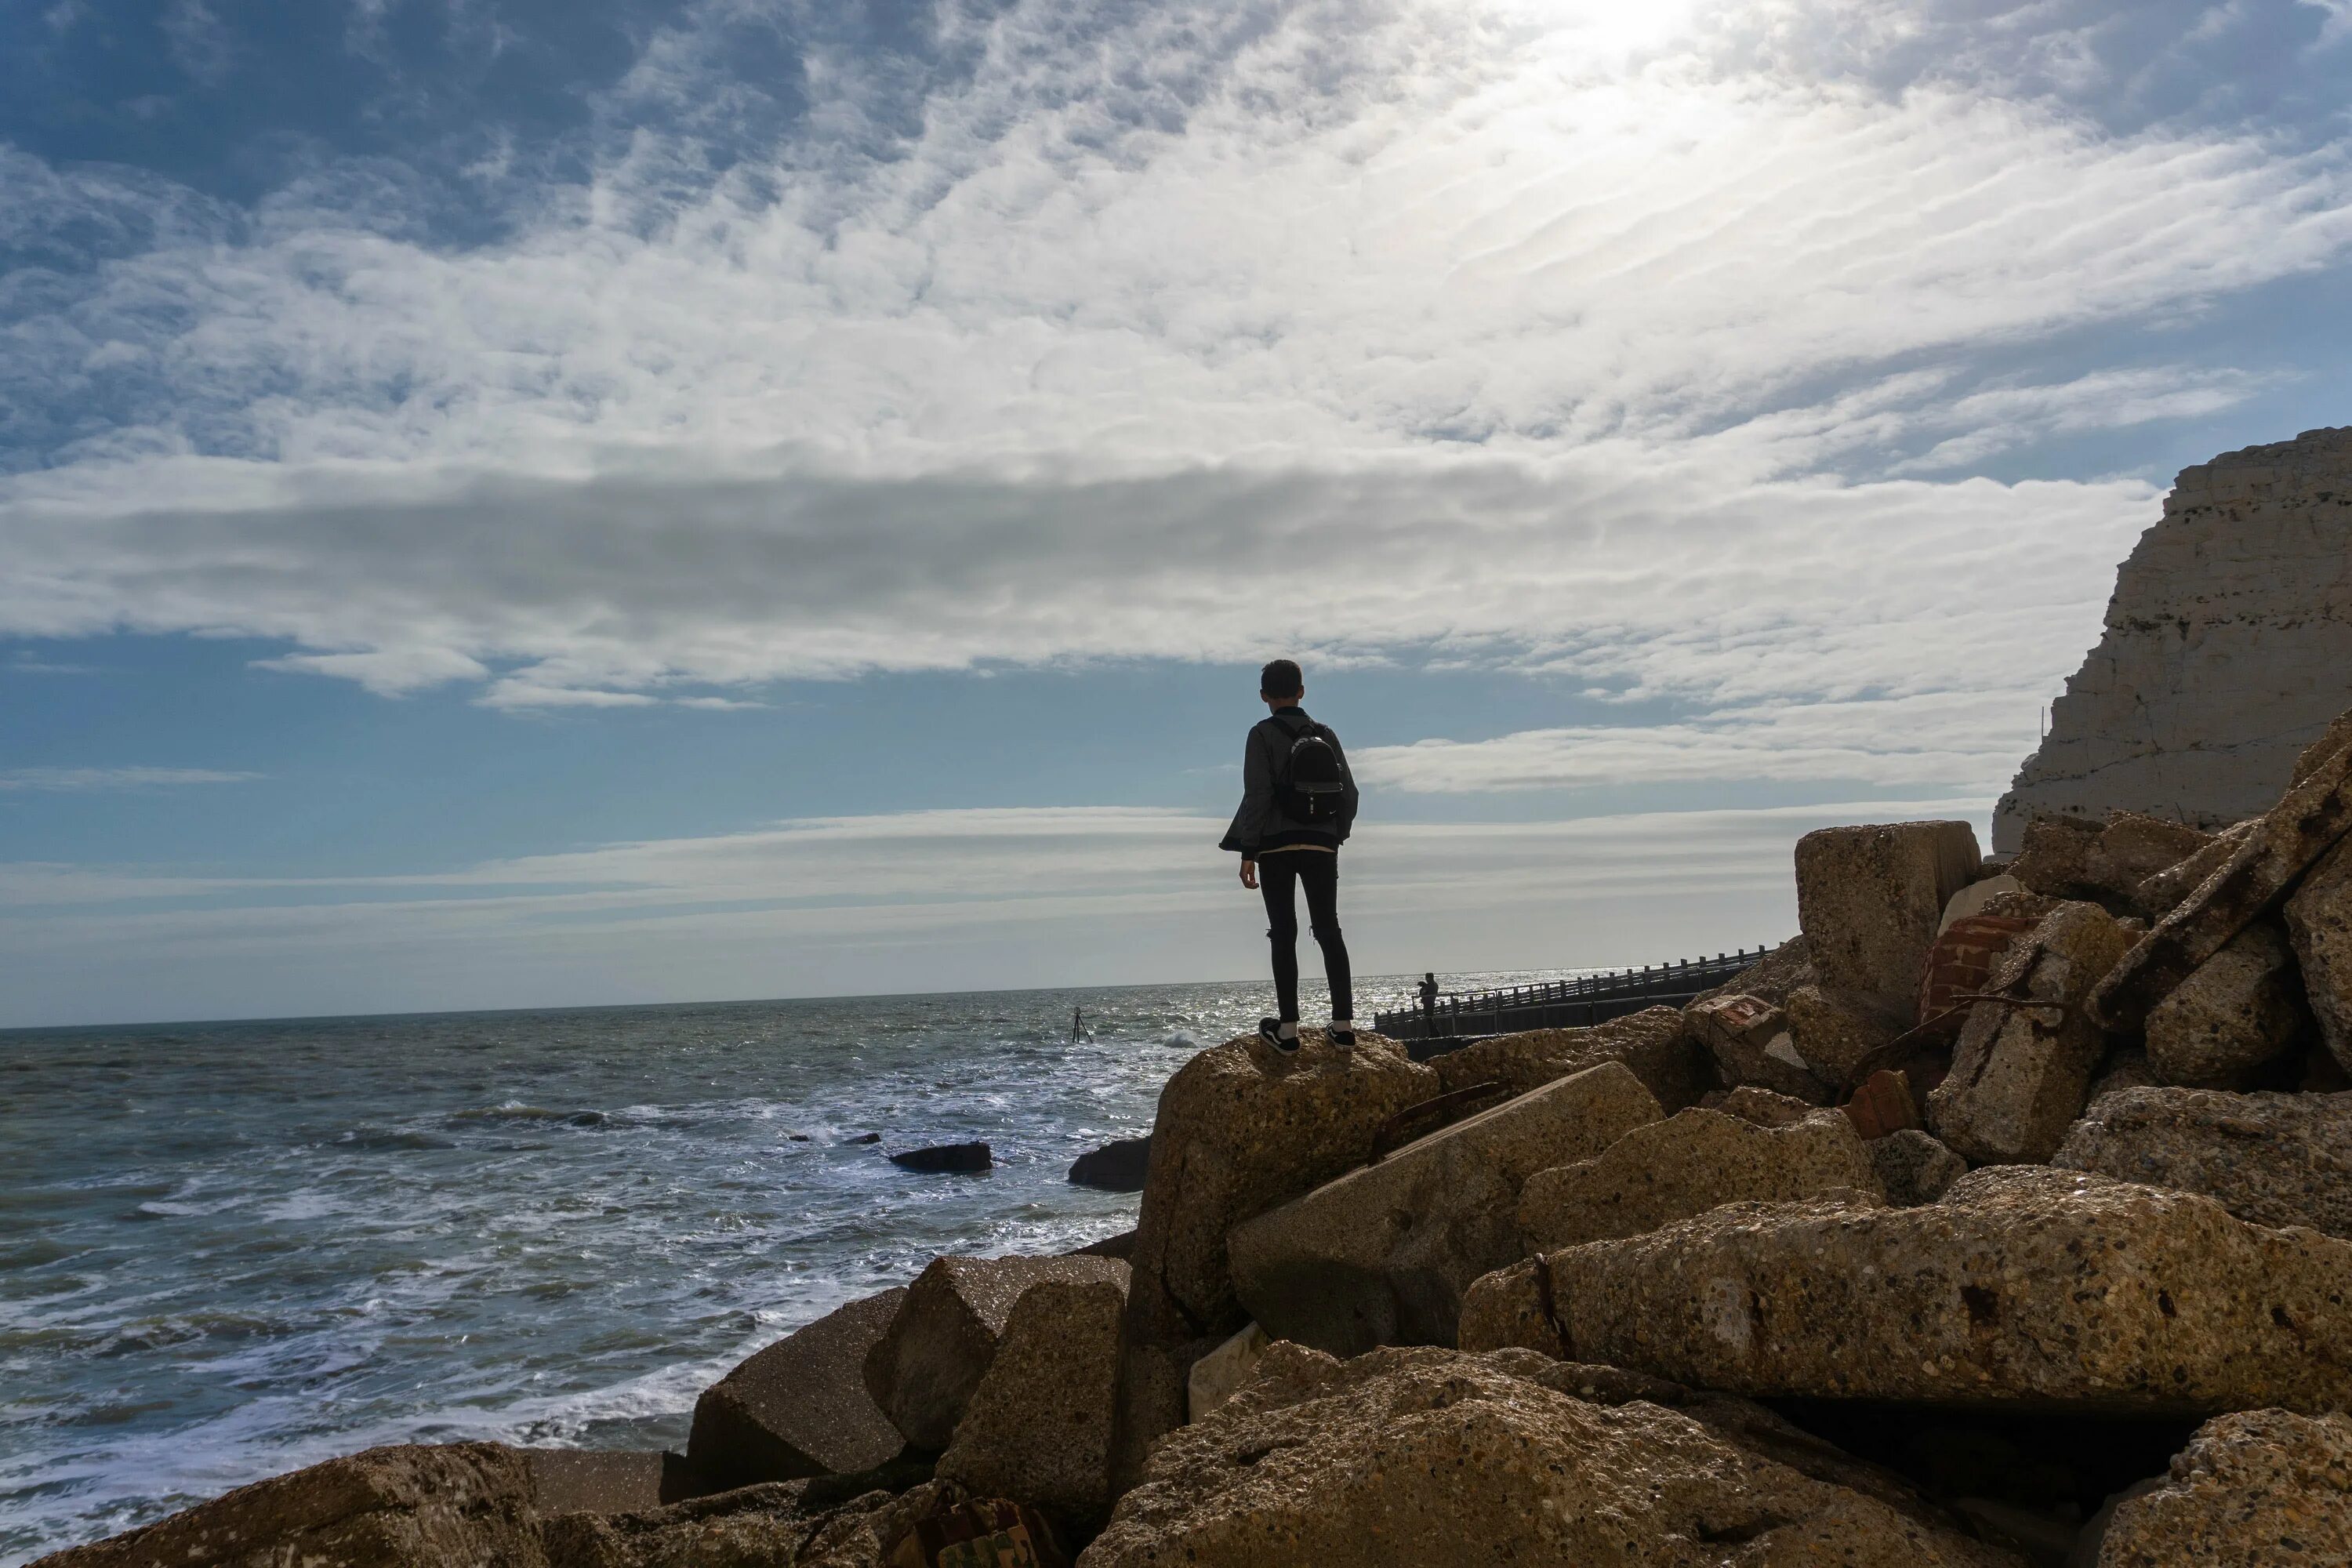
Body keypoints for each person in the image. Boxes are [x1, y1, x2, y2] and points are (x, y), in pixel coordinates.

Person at [1218, 658, 1359, 1051]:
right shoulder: (1324, 733)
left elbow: (1258, 794)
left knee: (1284, 933)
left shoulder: (1261, 734)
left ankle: (1289, 1030)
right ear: (1302, 691)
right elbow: (1349, 793)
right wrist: (1335, 835)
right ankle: (1344, 1027)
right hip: (1321, 845)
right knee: (1328, 929)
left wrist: (1249, 851)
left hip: (1276, 846)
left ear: (1264, 696)